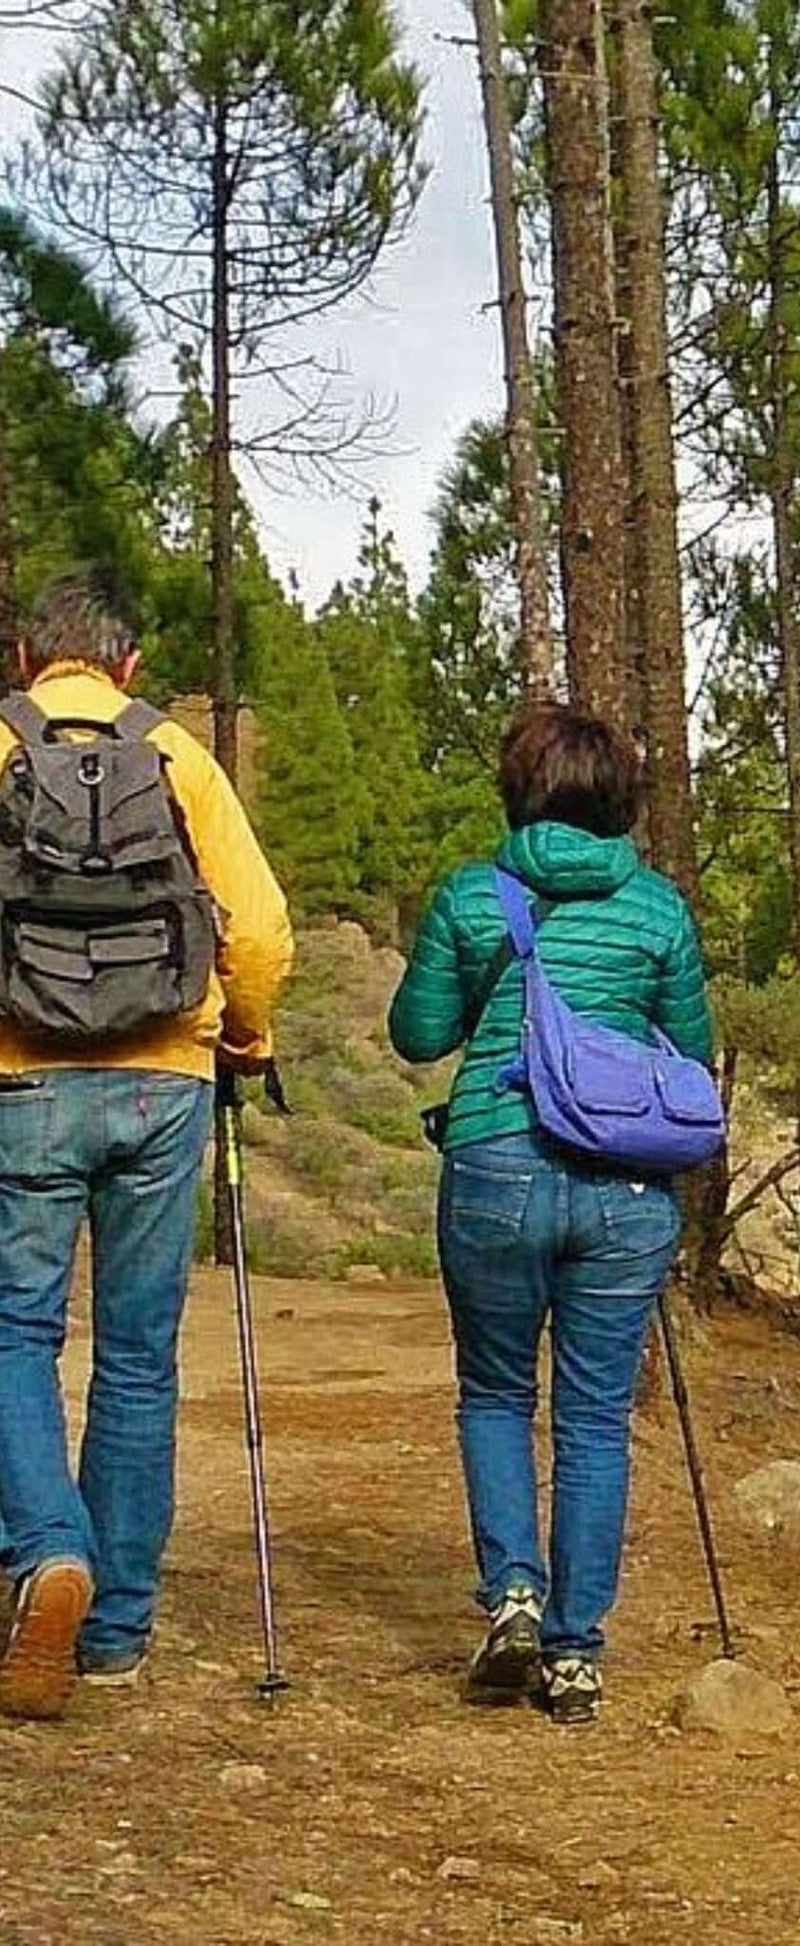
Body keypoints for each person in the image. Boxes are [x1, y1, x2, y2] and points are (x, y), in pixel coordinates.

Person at [0, 571, 293, 1721]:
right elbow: (258, 929)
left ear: (27, 657)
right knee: (136, 1352)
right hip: (165, 1079)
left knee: (15, 1328)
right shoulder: (177, 753)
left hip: (19, 1074)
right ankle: (113, 1626)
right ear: (125, 665)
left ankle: (46, 1552)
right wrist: (248, 1036)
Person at [388, 704, 712, 1727]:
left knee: (493, 1393)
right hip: (622, 1186)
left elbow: (417, 1032)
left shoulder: (475, 895)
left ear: (517, 790)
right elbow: (691, 1046)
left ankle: (513, 1598)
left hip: (495, 1157)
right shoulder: (657, 908)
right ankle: (576, 1652)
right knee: (592, 1418)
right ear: (619, 797)